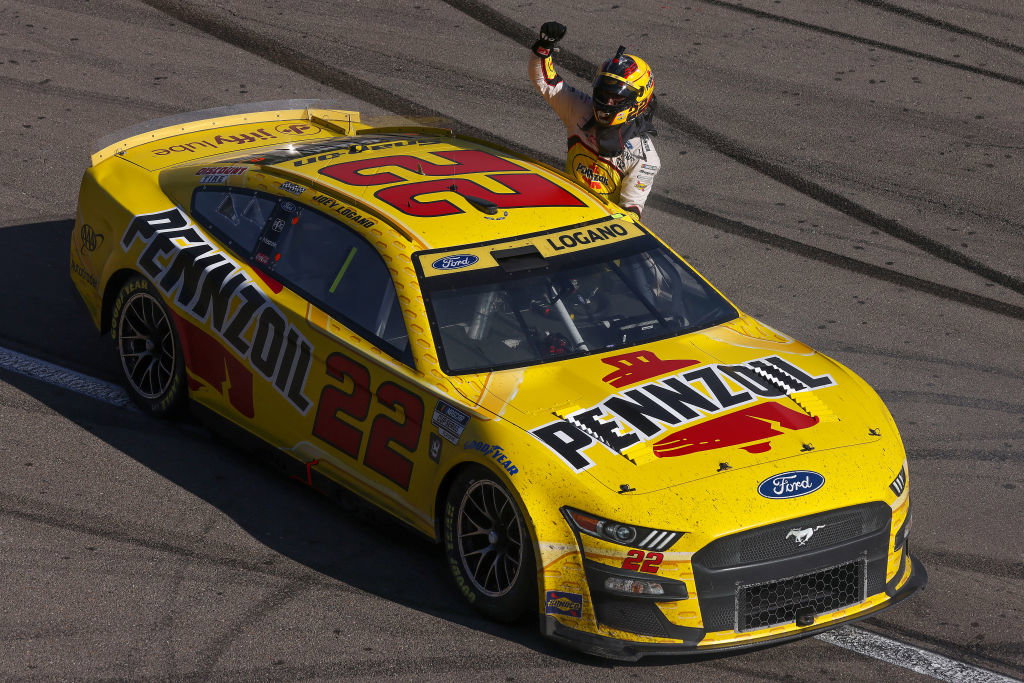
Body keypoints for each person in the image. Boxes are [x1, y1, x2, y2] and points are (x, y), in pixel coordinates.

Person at [529, 21, 660, 219]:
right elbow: (545, 82)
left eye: (617, 97)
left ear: (639, 100)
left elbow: (631, 213)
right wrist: (544, 46)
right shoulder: (581, 110)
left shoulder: (645, 157)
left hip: (599, 229)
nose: (608, 101)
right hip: (560, 213)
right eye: (603, 93)